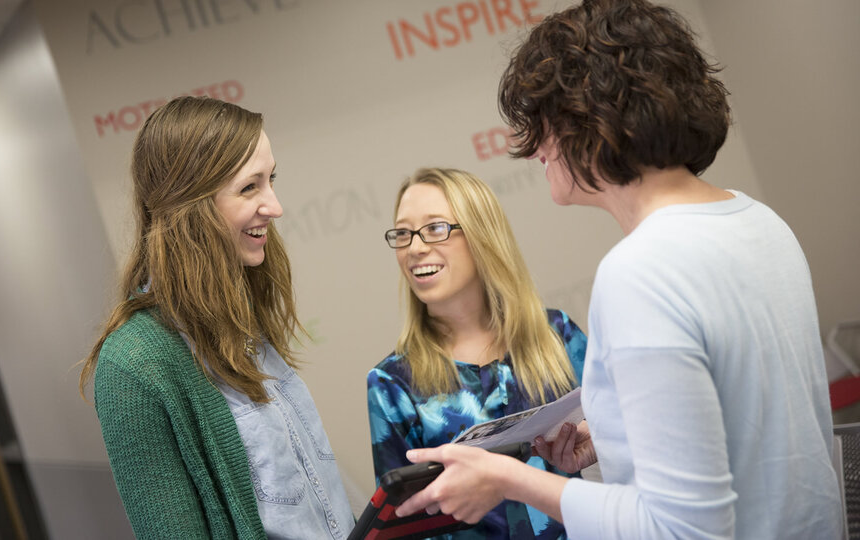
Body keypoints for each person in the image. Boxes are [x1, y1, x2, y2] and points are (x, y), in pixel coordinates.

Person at [395, 1, 843, 538]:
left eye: (544, 123)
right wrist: (610, 439)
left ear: (592, 120)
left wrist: (510, 478)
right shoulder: (760, 223)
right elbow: (750, 428)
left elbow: (683, 530)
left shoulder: (640, 272)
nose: (535, 148)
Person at [78, 96, 354, 539]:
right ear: (191, 205)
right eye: (250, 187)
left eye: (271, 180)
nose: (275, 206)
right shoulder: (132, 366)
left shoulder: (241, 314)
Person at [368, 167, 587, 539]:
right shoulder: (392, 384)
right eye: (403, 233)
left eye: (435, 228)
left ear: (482, 234)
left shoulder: (558, 335)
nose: (415, 248)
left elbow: (629, 443)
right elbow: (405, 527)